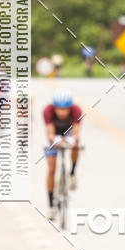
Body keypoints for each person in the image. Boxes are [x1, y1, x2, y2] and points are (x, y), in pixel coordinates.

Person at [43, 89, 82, 219]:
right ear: (54, 108)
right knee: (52, 169)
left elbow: (76, 131)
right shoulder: (47, 110)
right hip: (54, 135)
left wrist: (74, 140)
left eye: (65, 109)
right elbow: (49, 132)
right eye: (59, 109)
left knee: (77, 144)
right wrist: (54, 139)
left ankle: (72, 172)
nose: (62, 112)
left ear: (70, 108)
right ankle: (50, 205)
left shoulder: (76, 111)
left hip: (68, 133)